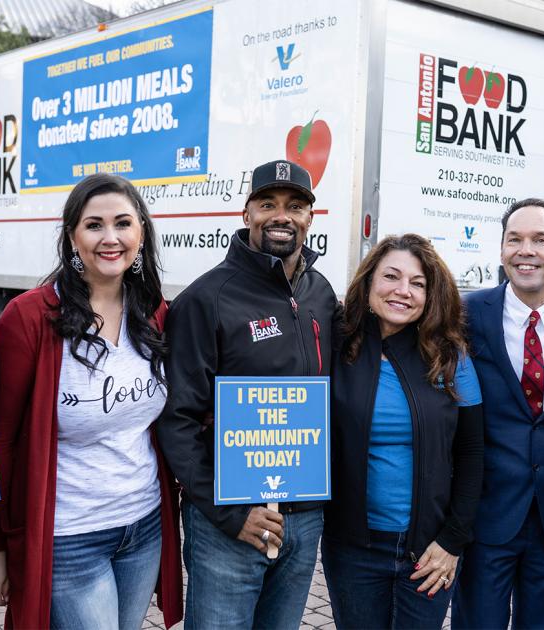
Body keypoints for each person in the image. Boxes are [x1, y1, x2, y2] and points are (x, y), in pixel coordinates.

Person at [0, 173, 182, 630]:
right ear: (72, 236)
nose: (110, 238)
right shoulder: (30, 316)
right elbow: (3, 439)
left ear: (141, 234)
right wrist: (0, 544)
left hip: (144, 523)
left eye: (123, 224)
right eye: (94, 225)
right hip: (69, 535)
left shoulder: (154, 311)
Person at [157, 159, 339, 629]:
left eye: (294, 206)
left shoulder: (321, 293)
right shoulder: (206, 298)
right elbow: (176, 419)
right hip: (231, 524)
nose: (281, 216)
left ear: (310, 219)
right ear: (246, 214)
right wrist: (230, 513)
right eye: (267, 204)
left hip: (303, 517)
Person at [452, 199, 544, 629]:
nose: (526, 250)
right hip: (486, 511)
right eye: (514, 239)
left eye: (540, 239)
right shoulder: (466, 313)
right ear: (500, 249)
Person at [322, 234, 484, 629]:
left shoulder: (450, 356)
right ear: (368, 283)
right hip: (353, 549)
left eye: (417, 283)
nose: (403, 291)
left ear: (431, 295)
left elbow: (471, 453)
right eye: (391, 277)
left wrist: (452, 541)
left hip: (428, 551)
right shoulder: (336, 346)